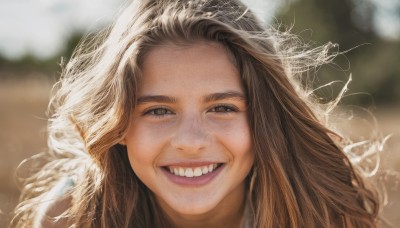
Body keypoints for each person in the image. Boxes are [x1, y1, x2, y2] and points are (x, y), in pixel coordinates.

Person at [12, 0, 381, 227]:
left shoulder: (322, 214)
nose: (190, 142)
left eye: (222, 107)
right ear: (118, 123)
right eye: (158, 110)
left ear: (265, 119)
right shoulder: (70, 217)